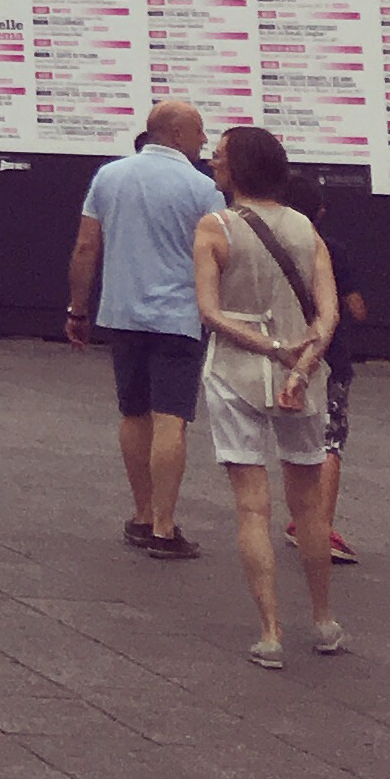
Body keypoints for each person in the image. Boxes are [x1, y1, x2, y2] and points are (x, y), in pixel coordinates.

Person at [190, 125, 342, 667]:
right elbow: (328, 315)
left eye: (220, 156)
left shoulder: (215, 227)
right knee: (310, 504)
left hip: (235, 370)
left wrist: (271, 348)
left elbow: (209, 312)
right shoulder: (305, 227)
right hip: (300, 374)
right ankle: (322, 620)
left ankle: (270, 631)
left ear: (237, 168)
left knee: (251, 505)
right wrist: (300, 364)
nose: (212, 162)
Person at [68, 99, 222, 559]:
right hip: (179, 317)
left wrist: (78, 309)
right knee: (170, 418)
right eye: (199, 131)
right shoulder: (203, 188)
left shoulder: (108, 177)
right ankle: (164, 526)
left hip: (123, 314)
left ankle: (141, 513)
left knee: (133, 413)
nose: (204, 141)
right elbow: (217, 256)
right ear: (176, 134)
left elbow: (85, 247)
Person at [281, 175, 366, 564]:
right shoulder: (333, 250)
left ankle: (299, 519)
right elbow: (355, 307)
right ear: (320, 212)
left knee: (293, 443)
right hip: (329, 358)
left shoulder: (267, 247)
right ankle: (319, 528)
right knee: (330, 441)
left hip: (282, 353)